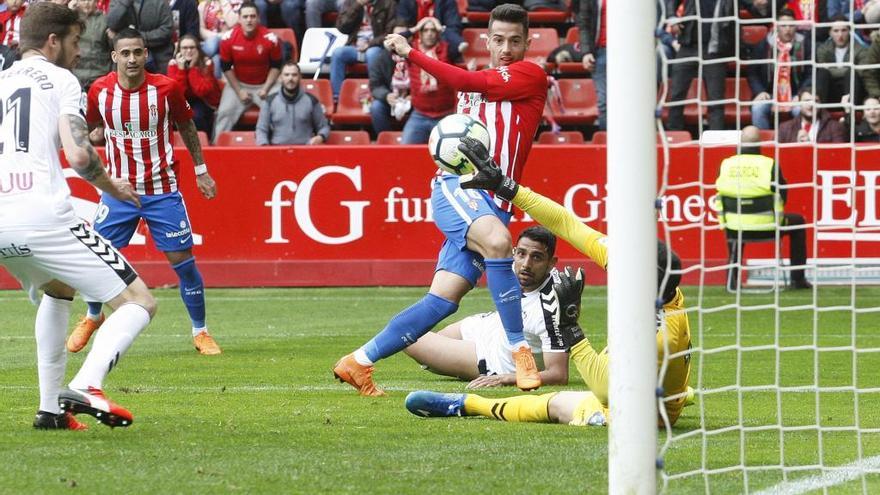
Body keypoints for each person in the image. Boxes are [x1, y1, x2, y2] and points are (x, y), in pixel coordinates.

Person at [333, 4, 548, 396]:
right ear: (486, 40)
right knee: (500, 243)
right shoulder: (476, 81)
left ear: (528, 43)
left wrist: (410, 51)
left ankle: (358, 362)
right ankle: (521, 353)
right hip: (459, 187)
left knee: (443, 300)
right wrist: (409, 54)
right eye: (498, 40)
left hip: (493, 202)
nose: (506, 48)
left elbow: (464, 78)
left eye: (515, 41)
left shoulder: (530, 74)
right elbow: (465, 88)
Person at [404, 137, 692, 427]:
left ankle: (468, 405)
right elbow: (567, 224)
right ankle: (678, 391)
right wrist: (506, 186)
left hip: (637, 414)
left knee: (554, 403)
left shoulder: (656, 336)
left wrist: (572, 331)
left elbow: (606, 392)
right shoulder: (658, 281)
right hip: (653, 381)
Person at [0, 2, 156, 430]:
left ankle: (50, 410)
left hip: (2, 220)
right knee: (138, 302)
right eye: (73, 42)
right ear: (52, 41)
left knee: (58, 289)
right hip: (43, 214)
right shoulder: (61, 79)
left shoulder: (1, 81)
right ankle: (88, 384)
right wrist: (112, 187)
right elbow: (80, 155)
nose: (77, 52)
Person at [72, 27, 222, 356]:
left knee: (183, 262)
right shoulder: (100, 90)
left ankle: (201, 332)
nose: (132, 59)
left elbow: (186, 125)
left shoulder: (166, 88)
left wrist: (201, 170)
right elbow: (91, 126)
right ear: (114, 57)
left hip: (162, 190)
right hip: (118, 191)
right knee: (96, 255)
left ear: (146, 55)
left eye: (137, 52)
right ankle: (92, 316)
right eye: (125, 53)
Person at [404, 227, 570, 387]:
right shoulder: (515, 266)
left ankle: (454, 365)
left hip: (489, 356)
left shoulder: (552, 309)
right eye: (521, 254)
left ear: (551, 263)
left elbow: (558, 375)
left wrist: (506, 379)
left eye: (537, 257)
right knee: (429, 343)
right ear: (514, 253)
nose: (526, 264)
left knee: (406, 335)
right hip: (487, 325)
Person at [715, 126, 812, 290]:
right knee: (799, 222)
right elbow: (782, 194)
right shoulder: (769, 164)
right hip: (769, 226)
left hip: (734, 227)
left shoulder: (726, 164)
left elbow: (720, 193)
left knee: (737, 221)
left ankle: (732, 281)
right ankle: (798, 280)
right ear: (760, 143)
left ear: (740, 143)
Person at [212, 2, 282, 140]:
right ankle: (216, 147)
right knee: (224, 113)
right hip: (239, 84)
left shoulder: (270, 39)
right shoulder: (228, 38)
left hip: (266, 84)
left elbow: (276, 66)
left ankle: (281, 145)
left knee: (280, 113)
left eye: (252, 16)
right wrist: (239, 91)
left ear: (258, 18)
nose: (249, 20)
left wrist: (266, 89)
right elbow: (226, 68)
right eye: (245, 17)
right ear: (239, 19)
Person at [665, 0, 735, 131]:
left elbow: (751, 5)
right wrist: (672, 18)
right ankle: (674, 135)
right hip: (688, 45)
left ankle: (716, 140)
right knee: (676, 94)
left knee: (716, 101)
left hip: (714, 49)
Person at [747, 8, 813, 130]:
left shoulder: (805, 44)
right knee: (758, 108)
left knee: (801, 109)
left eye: (791, 25)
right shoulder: (764, 45)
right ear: (776, 27)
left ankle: (798, 142)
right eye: (783, 26)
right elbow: (752, 73)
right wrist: (760, 91)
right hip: (769, 94)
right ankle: (765, 144)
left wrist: (801, 93)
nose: (788, 29)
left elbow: (811, 73)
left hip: (796, 94)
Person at [330, 0, 398, 99]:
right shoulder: (351, 2)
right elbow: (342, 27)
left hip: (377, 46)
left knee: (372, 53)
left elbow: (390, 32)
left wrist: (370, 44)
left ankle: (375, 94)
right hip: (355, 46)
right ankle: (337, 97)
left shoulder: (388, 3)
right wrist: (357, 6)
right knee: (338, 53)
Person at [256, 61, 330, 145]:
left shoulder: (312, 100)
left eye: (294, 75)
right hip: (277, 152)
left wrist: (320, 137)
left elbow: (324, 127)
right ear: (280, 78)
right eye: (286, 75)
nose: (290, 78)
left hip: (305, 152)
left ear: (300, 77)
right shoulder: (269, 101)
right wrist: (264, 146)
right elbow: (261, 129)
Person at [168, 34, 222, 139]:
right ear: (179, 50)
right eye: (184, 48)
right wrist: (181, 70)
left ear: (198, 49)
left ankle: (202, 143)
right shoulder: (173, 64)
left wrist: (192, 68)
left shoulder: (207, 63)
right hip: (183, 100)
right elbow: (177, 93)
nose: (188, 51)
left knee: (197, 116)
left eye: (192, 47)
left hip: (204, 100)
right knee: (174, 116)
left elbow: (201, 91)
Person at [815, 15, 867, 111]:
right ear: (830, 33)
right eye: (836, 31)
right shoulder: (822, 49)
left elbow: (860, 72)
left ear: (849, 31)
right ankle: (820, 113)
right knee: (823, 73)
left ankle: (849, 115)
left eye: (844, 30)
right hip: (831, 91)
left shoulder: (860, 50)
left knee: (851, 74)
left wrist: (832, 69)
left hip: (853, 92)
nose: (840, 35)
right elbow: (822, 70)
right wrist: (849, 68)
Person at [106, 0, 174, 73]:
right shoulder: (117, 1)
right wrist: (124, 3)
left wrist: (136, 38)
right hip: (125, 61)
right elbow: (111, 24)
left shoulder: (160, 2)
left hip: (158, 60)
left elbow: (167, 30)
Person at [396, 0, 466, 62]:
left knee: (452, 49)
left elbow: (454, 28)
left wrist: (440, 28)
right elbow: (400, 29)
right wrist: (415, 29)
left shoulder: (447, 1)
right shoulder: (406, 2)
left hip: (440, 45)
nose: (429, 34)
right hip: (413, 45)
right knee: (389, 53)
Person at [576, 0, 606, 130]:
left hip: (629, 56)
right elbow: (584, 23)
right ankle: (607, 143)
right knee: (604, 102)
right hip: (601, 51)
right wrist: (586, 52)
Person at [777, 88, 846, 143]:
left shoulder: (834, 127)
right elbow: (774, 156)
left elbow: (839, 155)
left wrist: (810, 145)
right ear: (799, 104)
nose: (811, 105)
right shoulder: (784, 128)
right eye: (807, 101)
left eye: (815, 101)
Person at [72, 0, 111, 92]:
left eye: (89, 0)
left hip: (100, 75)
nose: (86, 3)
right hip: (75, 76)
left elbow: (113, 50)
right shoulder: (71, 19)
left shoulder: (106, 21)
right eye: (82, 0)